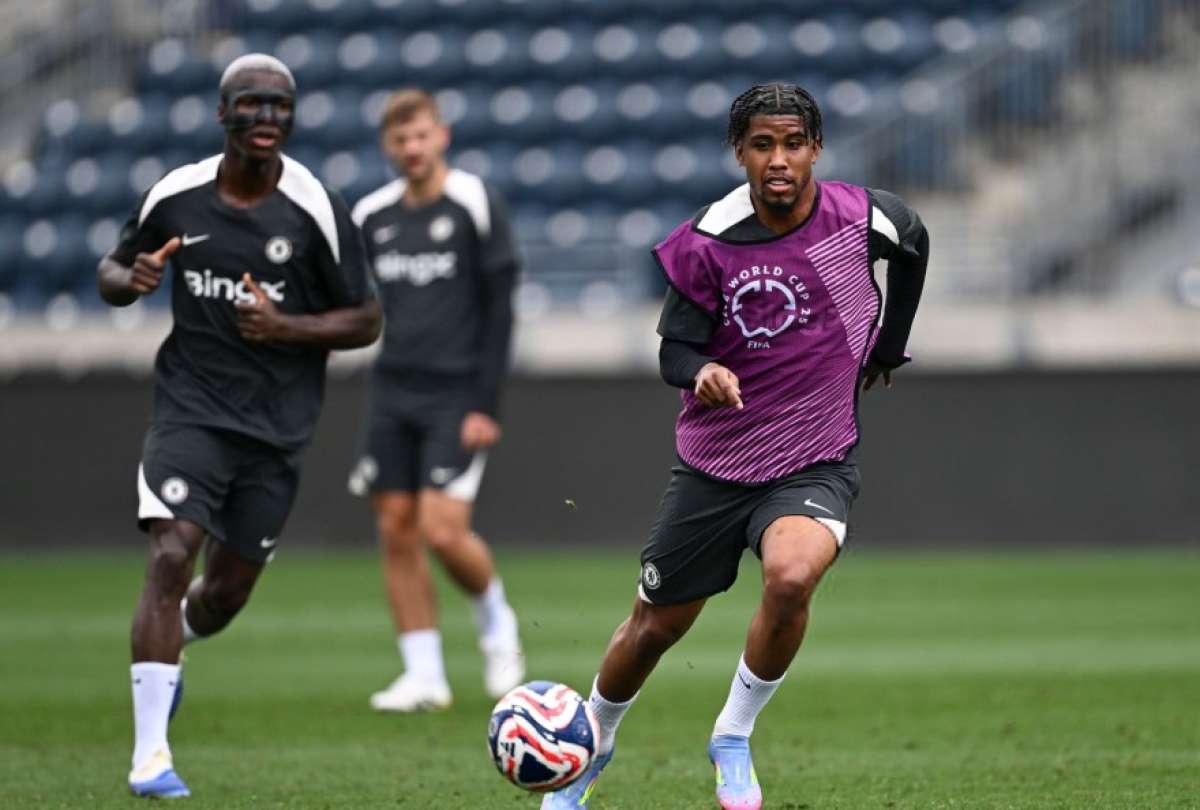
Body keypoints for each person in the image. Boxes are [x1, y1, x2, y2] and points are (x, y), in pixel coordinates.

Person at [541, 82, 930, 810]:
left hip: (814, 458)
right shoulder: (709, 239)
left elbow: (913, 244)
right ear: (739, 152)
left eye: (793, 143)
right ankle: (592, 740)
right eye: (762, 145)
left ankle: (732, 736)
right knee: (654, 628)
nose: (778, 159)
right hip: (714, 469)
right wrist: (703, 371)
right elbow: (673, 353)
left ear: (816, 148)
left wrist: (889, 346)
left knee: (790, 577)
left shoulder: (864, 217)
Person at [98, 54, 381, 798]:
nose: (267, 118)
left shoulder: (315, 207)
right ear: (223, 113)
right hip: (189, 409)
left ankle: (173, 655)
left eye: (280, 106)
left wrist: (287, 327)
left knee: (224, 596)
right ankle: (150, 755)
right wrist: (131, 280)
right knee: (171, 554)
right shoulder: (177, 195)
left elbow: (366, 320)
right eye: (252, 103)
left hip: (276, 429)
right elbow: (112, 271)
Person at [347, 89, 523, 713]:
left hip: (457, 391)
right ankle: (424, 674)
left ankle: (497, 623)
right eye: (401, 139)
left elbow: (500, 309)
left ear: (441, 136)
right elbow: (352, 300)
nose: (412, 148)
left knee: (443, 530)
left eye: (421, 135)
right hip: (392, 388)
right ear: (387, 146)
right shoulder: (371, 215)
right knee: (395, 527)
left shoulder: (474, 201)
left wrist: (485, 404)